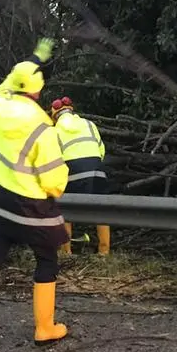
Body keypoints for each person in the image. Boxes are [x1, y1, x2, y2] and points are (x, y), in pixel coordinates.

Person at [0, 37, 71, 346]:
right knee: (46, 259)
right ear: (37, 91)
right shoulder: (42, 126)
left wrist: (35, 57)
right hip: (30, 206)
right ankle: (44, 328)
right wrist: (56, 189)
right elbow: (54, 180)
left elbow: (11, 81)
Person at [49, 97, 111, 256]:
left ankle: (66, 252)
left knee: (65, 208)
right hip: (97, 167)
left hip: (71, 169)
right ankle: (104, 252)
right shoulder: (90, 124)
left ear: (54, 115)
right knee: (101, 209)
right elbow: (101, 150)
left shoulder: (54, 131)